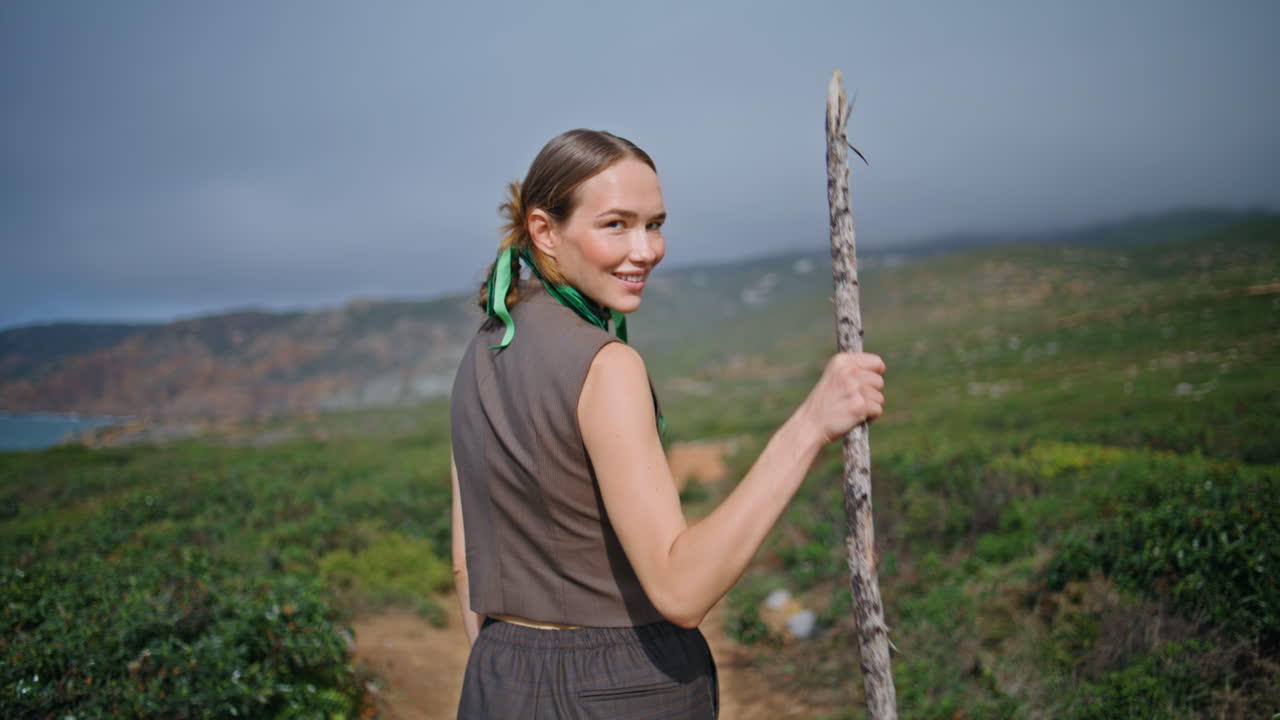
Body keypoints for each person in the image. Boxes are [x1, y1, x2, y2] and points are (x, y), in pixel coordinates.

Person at [449, 128, 886, 718]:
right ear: (544, 230)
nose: (646, 249)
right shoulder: (606, 366)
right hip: (625, 685)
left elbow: (465, 559)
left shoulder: (483, 347)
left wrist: (516, 667)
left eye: (654, 224)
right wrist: (811, 423)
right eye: (616, 225)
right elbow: (681, 592)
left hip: (498, 676)